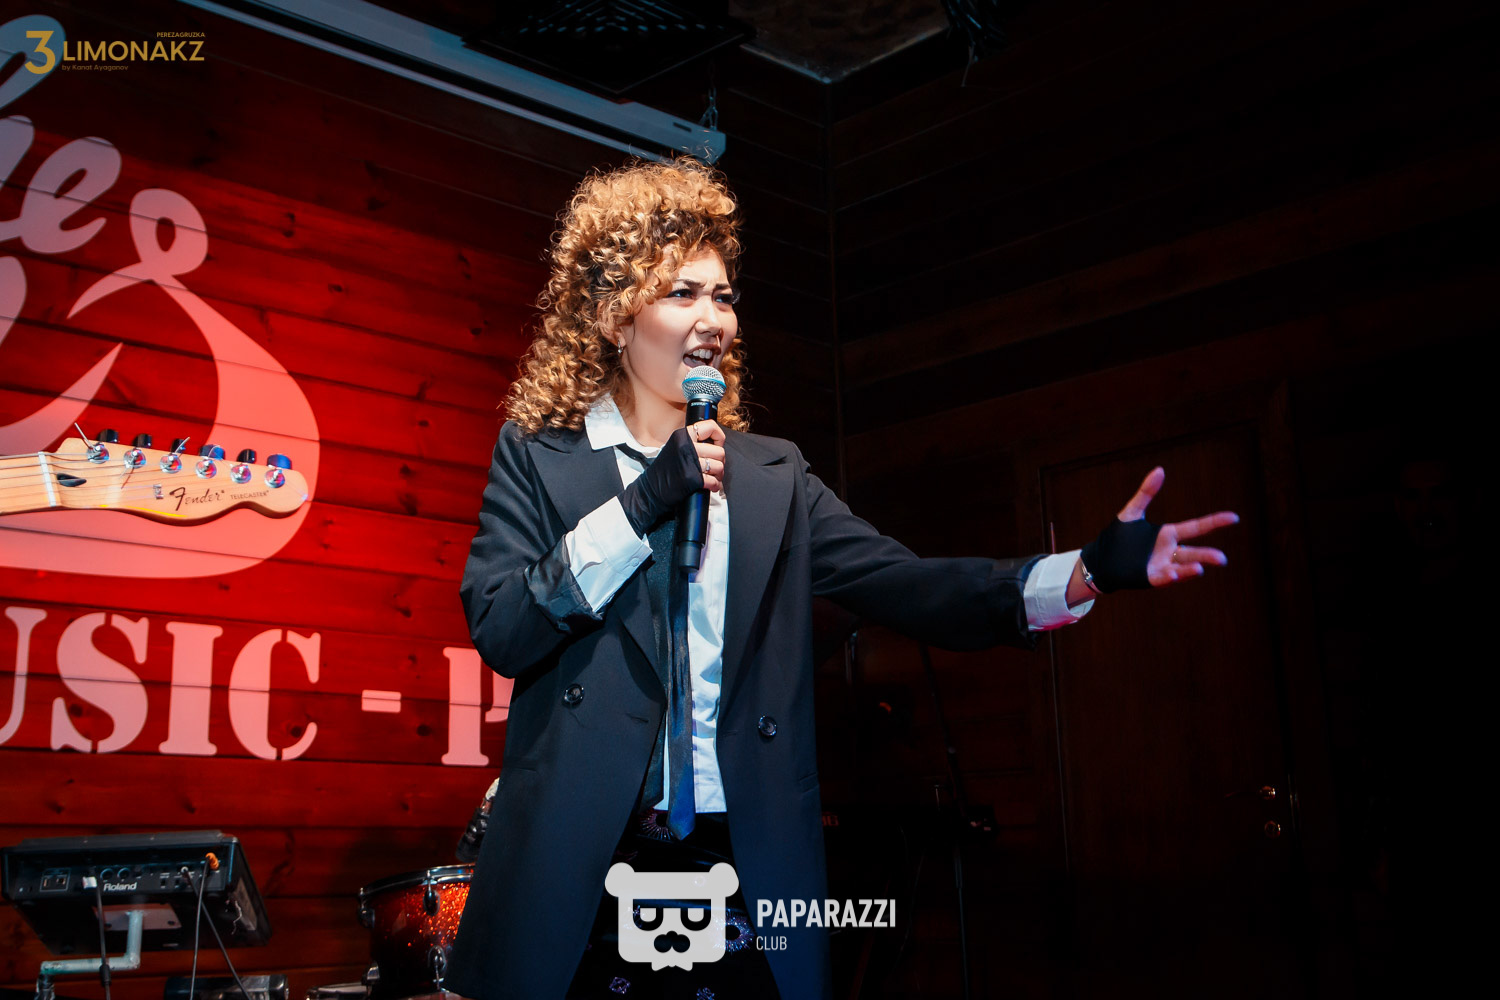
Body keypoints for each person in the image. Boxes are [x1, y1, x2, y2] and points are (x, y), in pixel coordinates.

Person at [446, 158, 1238, 1000]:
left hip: (743, 858)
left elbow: (907, 583)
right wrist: (642, 505)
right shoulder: (540, 457)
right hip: (580, 863)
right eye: (682, 293)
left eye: (724, 297)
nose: (713, 320)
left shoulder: (772, 477)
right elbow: (503, 626)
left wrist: (1084, 572)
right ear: (615, 313)